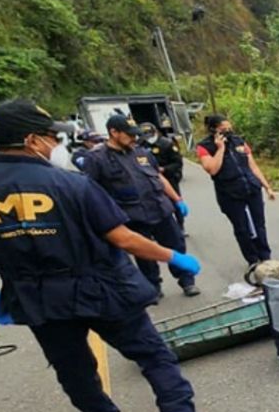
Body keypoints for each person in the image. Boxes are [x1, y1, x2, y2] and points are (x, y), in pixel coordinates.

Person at [0, 99, 208, 412]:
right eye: (50, 136)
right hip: (101, 286)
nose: (55, 143)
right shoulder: (71, 184)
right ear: (31, 140)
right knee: (151, 353)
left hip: (38, 297)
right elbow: (122, 238)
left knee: (73, 367)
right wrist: (173, 255)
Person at [79, 114, 199, 299]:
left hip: (160, 209)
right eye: (129, 134)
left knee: (176, 246)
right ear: (114, 132)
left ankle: (187, 281)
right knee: (145, 254)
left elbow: (158, 177)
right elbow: (91, 191)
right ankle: (153, 287)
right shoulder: (97, 159)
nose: (134, 138)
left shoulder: (141, 152)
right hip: (131, 215)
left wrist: (177, 199)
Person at [196, 114, 275, 266]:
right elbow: (212, 169)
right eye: (223, 129)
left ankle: (266, 257)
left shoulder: (238, 141)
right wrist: (220, 148)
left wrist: (267, 187)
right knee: (242, 228)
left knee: (259, 225)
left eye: (229, 128)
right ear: (213, 130)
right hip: (229, 194)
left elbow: (253, 166)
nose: (228, 131)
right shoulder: (204, 147)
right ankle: (252, 260)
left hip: (251, 187)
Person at [141, 121, 186, 229]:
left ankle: (181, 225)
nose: (149, 138)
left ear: (155, 132)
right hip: (150, 179)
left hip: (169, 177)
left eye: (150, 134)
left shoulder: (167, 144)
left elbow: (177, 162)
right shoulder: (141, 145)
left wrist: (164, 169)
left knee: (175, 201)